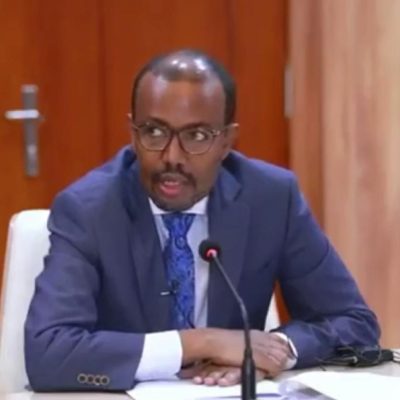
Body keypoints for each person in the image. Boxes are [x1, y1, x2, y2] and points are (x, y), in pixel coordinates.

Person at [25, 49, 379, 391]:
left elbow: (354, 322)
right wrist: (204, 342)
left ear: (226, 142)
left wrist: (267, 353)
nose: (172, 157)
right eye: (154, 132)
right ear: (133, 133)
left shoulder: (271, 199)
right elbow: (48, 353)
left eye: (196, 136)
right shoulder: (89, 210)